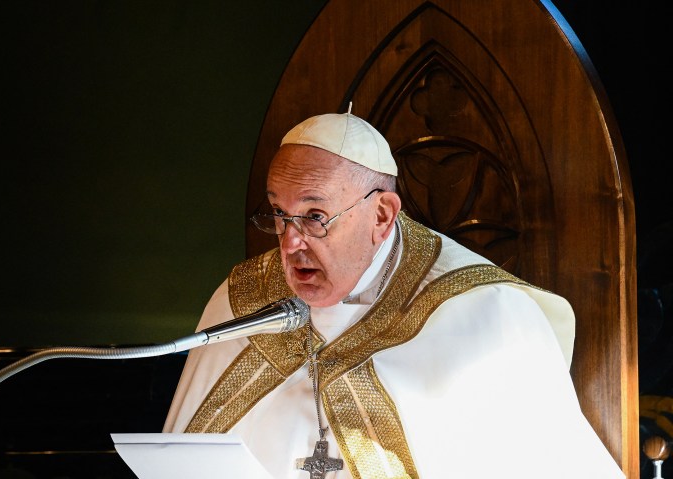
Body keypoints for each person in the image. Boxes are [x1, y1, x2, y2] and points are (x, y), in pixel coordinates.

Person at [164, 112, 625, 478]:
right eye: (280, 214)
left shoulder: (486, 313)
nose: (290, 243)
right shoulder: (243, 301)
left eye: (315, 215)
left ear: (382, 215)